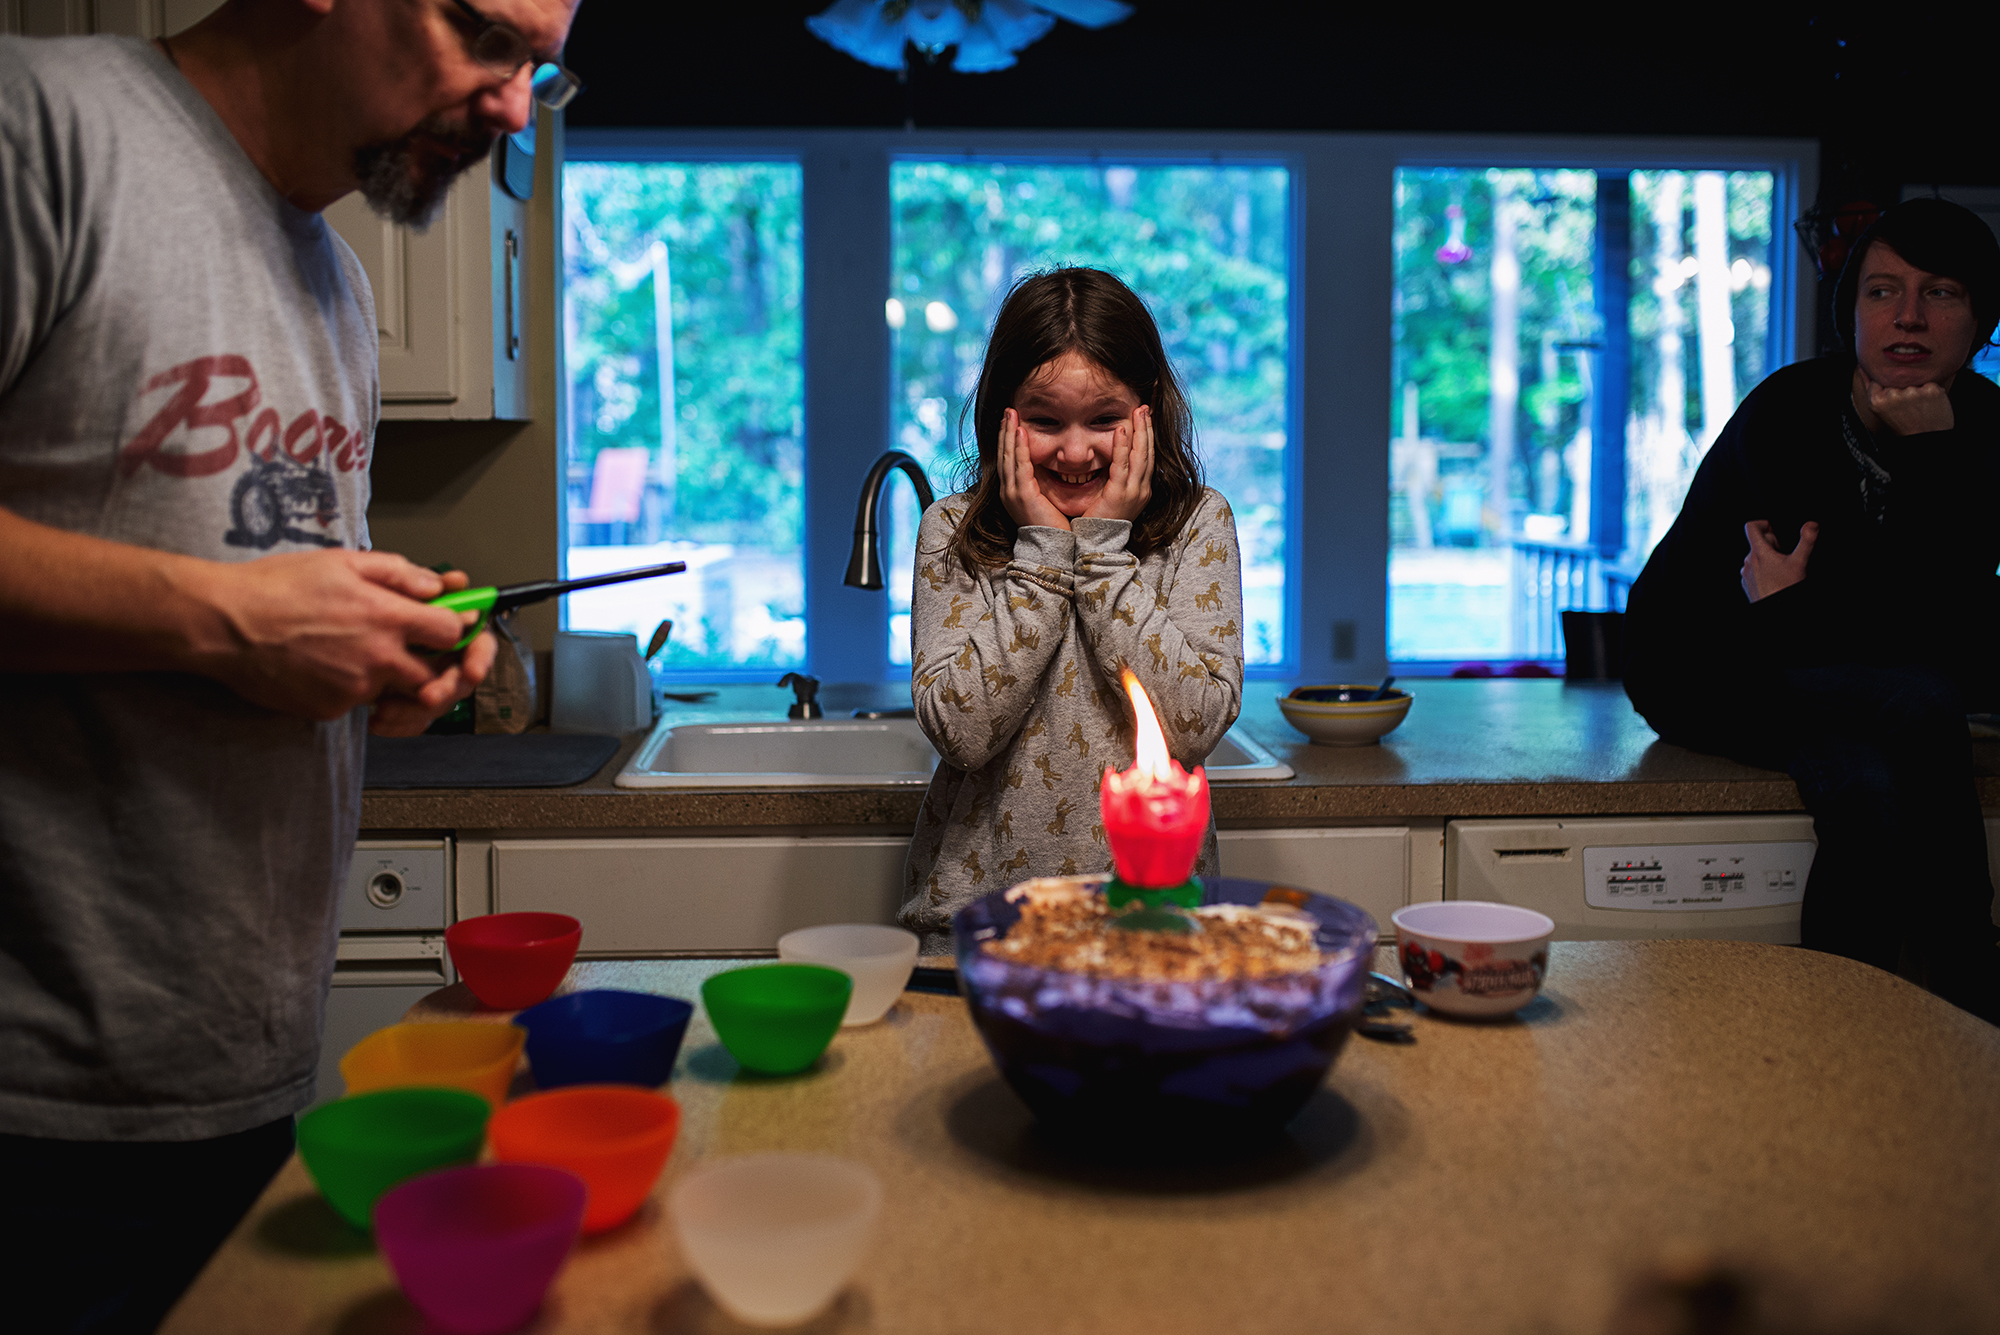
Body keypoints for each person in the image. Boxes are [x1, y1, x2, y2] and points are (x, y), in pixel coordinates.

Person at [0, 0, 579, 1327]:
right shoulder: (44, 130)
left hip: (239, 1075)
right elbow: (232, 613)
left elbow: (266, 611)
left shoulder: (335, 283)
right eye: (486, 36)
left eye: (539, 66)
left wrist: (376, 658)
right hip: (31, 1109)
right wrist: (228, 619)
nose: (512, 104)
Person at [1622, 197, 2000, 1023]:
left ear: (1979, 317)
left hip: (1825, 680)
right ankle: (1975, 982)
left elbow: (1955, 631)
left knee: (1865, 781)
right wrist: (1843, 618)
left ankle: (1837, 1030)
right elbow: (1840, 642)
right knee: (1918, 701)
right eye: (1880, 291)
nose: (1906, 316)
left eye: (1940, 293)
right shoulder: (1792, 412)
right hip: (1698, 665)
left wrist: (1932, 458)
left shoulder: (1982, 433)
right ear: (1849, 309)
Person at [897, 268, 1246, 948]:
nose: (1077, 450)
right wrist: (1044, 554)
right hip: (981, 922)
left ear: (1147, 409)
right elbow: (962, 731)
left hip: (1151, 924)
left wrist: (1105, 552)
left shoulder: (1198, 525)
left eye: (1105, 420)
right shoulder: (950, 529)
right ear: (1003, 412)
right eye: (1045, 421)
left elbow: (1195, 723)